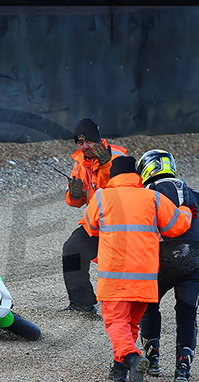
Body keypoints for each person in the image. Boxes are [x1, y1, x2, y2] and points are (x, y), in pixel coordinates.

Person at [82, 155, 192, 382]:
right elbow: (176, 227)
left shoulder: (102, 196)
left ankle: (132, 358)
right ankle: (119, 369)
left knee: (115, 322)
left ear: (113, 176)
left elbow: (90, 227)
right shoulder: (153, 197)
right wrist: (185, 210)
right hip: (145, 277)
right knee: (131, 323)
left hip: (115, 275)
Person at [135, 149, 199, 382]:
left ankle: (153, 359)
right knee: (187, 311)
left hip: (160, 259)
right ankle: (182, 368)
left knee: (150, 307)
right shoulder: (196, 195)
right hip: (193, 259)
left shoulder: (147, 193)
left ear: (147, 169)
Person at [61, 117, 128, 314]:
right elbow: (78, 201)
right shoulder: (80, 162)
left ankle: (131, 309)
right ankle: (81, 304)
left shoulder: (118, 156)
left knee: (122, 266)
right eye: (80, 143)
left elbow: (125, 190)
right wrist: (73, 195)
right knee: (71, 250)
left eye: (88, 141)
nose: (85, 146)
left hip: (121, 223)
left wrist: (106, 165)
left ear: (98, 139)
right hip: (96, 222)